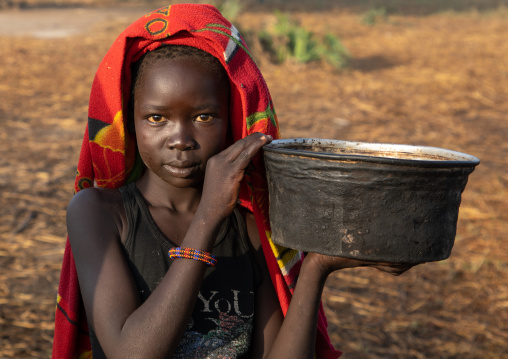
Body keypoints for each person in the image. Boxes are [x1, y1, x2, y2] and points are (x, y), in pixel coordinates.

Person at [52, 4, 411, 359]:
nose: (180, 139)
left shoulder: (250, 226)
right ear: (130, 123)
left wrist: (316, 267)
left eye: (204, 116)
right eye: (156, 117)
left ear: (232, 121)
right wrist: (207, 217)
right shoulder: (102, 214)